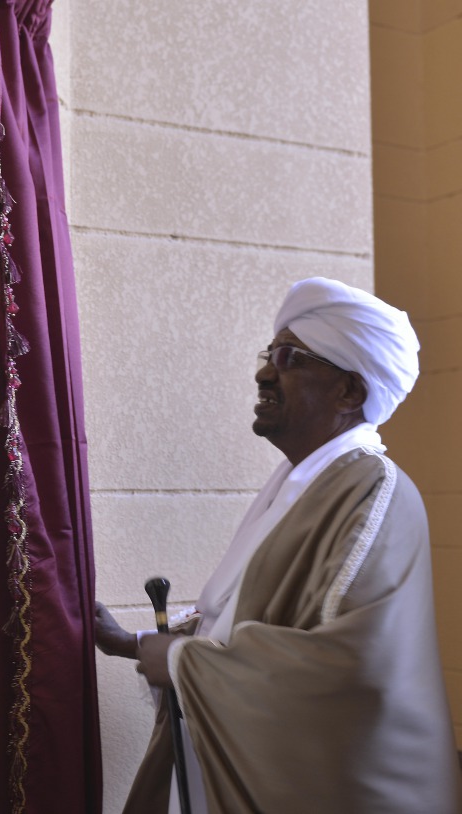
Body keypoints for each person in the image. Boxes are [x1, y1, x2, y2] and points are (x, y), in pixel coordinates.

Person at [95, 278, 462, 813]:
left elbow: (349, 672)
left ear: (350, 393)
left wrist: (181, 663)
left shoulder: (372, 489)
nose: (265, 372)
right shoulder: (302, 484)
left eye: (291, 358)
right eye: (271, 354)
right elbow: (251, 619)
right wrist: (134, 643)